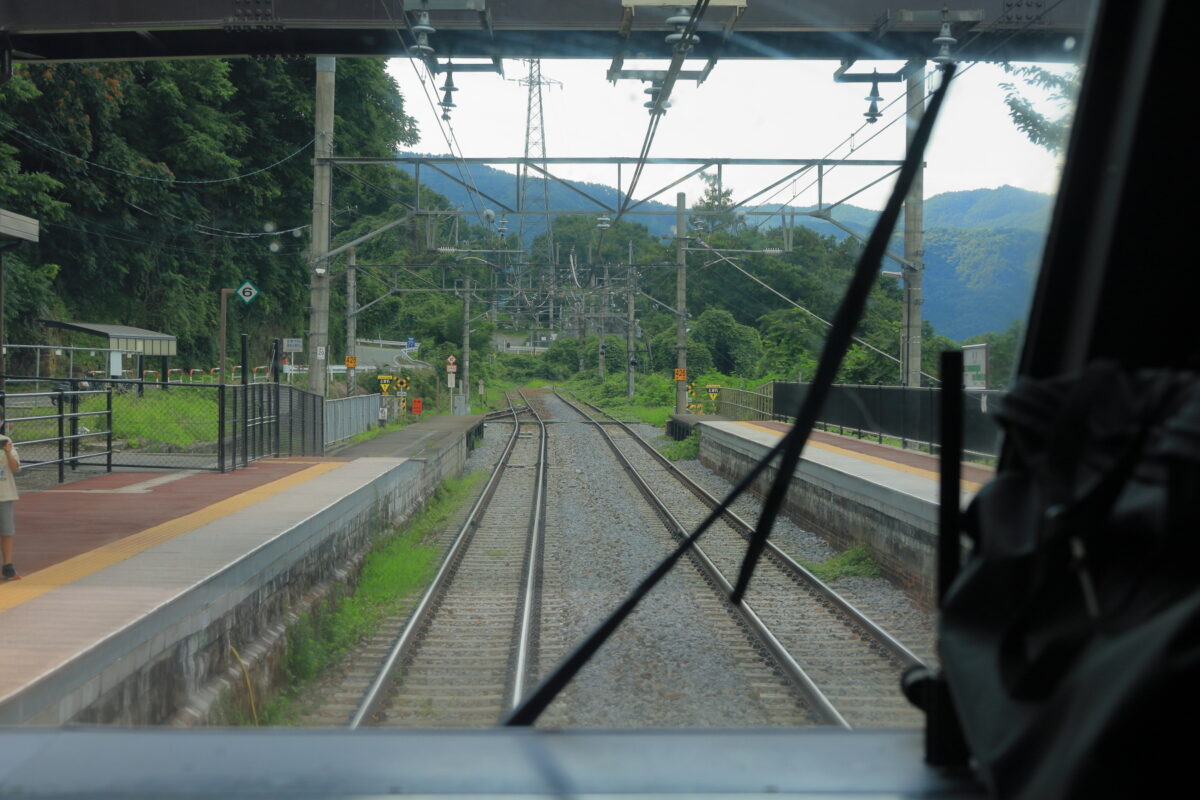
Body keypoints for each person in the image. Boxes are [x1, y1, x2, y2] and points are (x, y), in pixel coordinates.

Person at [0, 416, 20, 581]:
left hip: (4, 493)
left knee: (6, 530)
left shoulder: (6, 441)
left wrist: (7, 452)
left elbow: (15, 468)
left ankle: (8, 565)